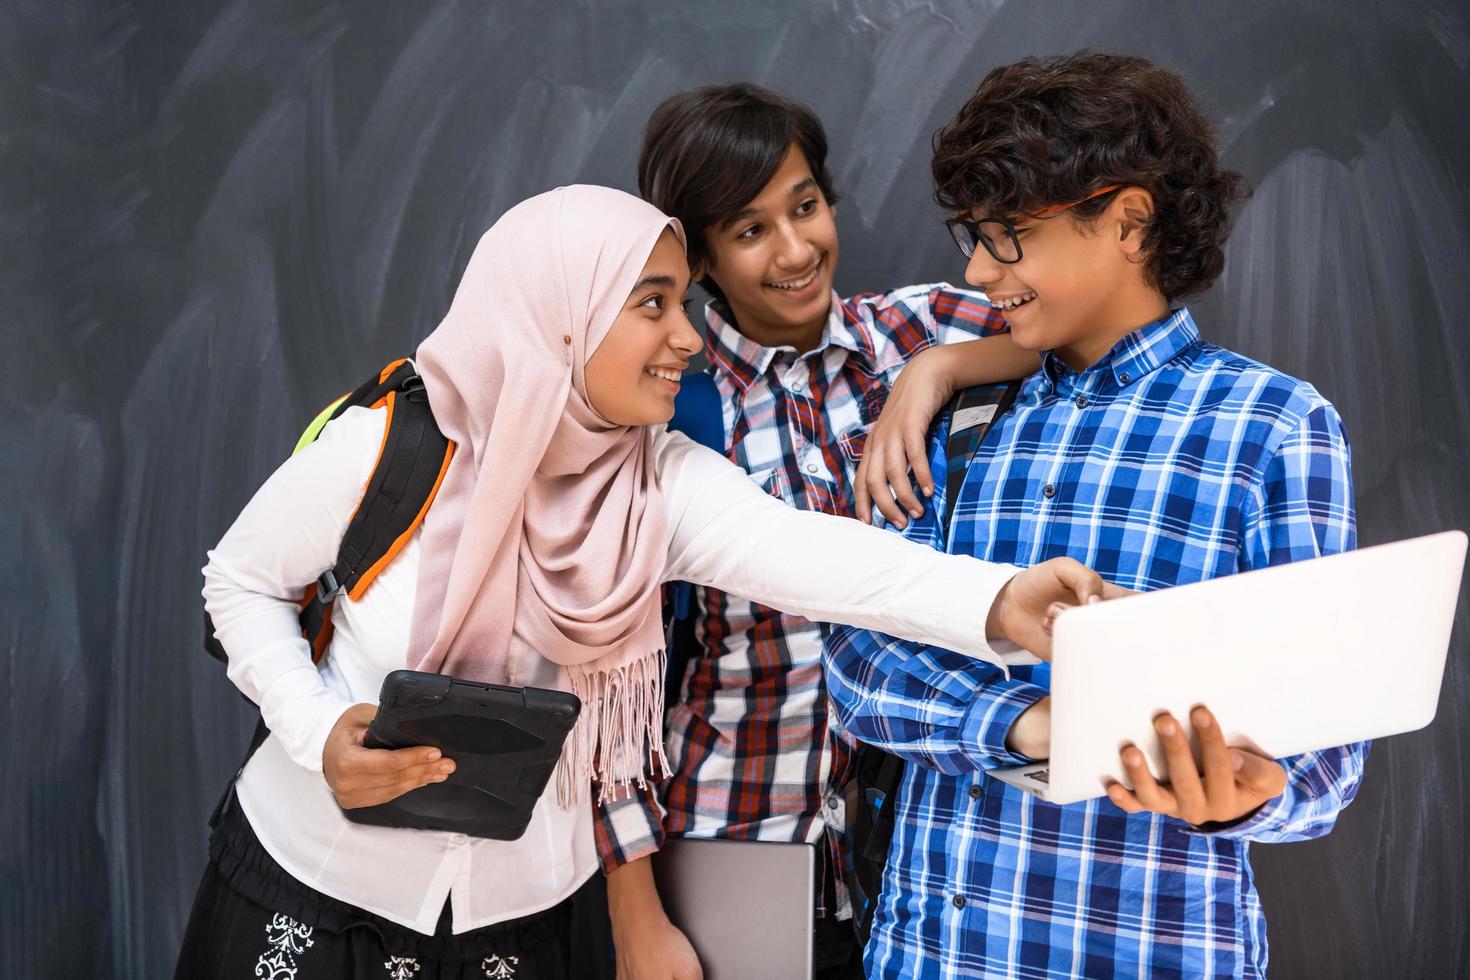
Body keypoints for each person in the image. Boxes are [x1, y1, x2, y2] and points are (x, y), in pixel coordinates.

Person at [180, 183, 1108, 979]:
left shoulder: (653, 481)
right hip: (313, 887)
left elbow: (820, 558)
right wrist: (313, 730)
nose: (688, 338)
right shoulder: (392, 443)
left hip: (523, 918)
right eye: (652, 305)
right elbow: (240, 582)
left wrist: (997, 598)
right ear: (563, 312)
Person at [826, 53, 1368, 979]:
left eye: (1008, 237)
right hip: (929, 953)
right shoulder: (952, 416)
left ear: (1126, 221)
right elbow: (862, 662)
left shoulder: (1275, 428)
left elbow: (1324, 765)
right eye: (975, 235)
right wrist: (1035, 723)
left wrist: (1241, 792)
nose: (975, 268)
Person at [595, 83, 1041, 980]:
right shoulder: (668, 406)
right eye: (751, 229)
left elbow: (1062, 327)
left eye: (805, 207)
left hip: (917, 845)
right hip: (731, 836)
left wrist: (937, 373)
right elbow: (610, 686)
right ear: (703, 257)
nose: (796, 251)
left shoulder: (909, 331)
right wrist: (635, 918)